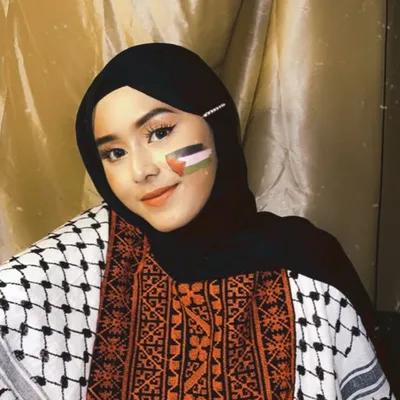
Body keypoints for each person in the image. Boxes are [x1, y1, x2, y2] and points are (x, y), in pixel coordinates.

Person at [0, 43, 395, 400]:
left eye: (159, 133)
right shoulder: (89, 258)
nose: (140, 171)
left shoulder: (306, 263)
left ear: (216, 126)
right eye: (115, 153)